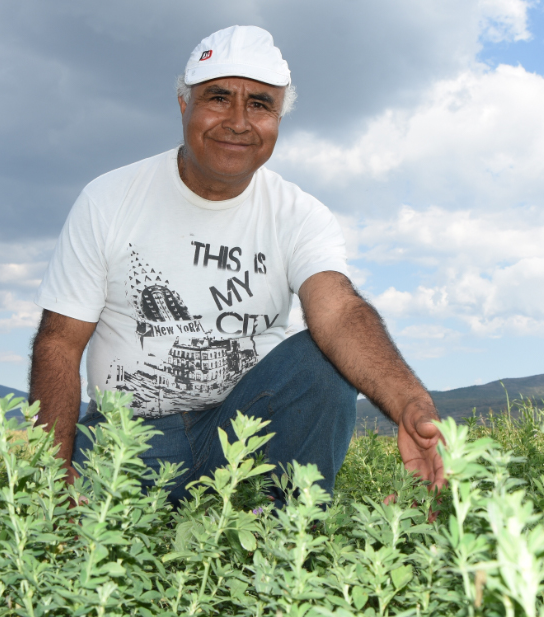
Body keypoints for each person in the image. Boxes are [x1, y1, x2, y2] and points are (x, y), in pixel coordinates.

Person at [30, 25, 443, 503]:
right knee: (100, 539)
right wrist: (54, 480)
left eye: (261, 104)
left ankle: (289, 534)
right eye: (219, 98)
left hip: (246, 436)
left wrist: (412, 404)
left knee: (323, 361)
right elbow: (59, 343)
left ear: (279, 120)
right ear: (185, 105)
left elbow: (340, 312)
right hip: (132, 441)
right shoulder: (109, 199)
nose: (239, 122)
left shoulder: (299, 214)